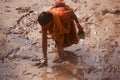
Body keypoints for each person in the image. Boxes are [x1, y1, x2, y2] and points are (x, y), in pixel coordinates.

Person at [37, 1, 84, 67]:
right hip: (57, 23)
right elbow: (44, 41)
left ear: (50, 22)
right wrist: (44, 58)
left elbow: (71, 13)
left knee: (59, 41)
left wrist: (78, 24)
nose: (44, 28)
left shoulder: (62, 15)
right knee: (58, 41)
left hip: (64, 20)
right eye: (43, 26)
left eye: (46, 26)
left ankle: (62, 58)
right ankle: (62, 56)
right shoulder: (44, 25)